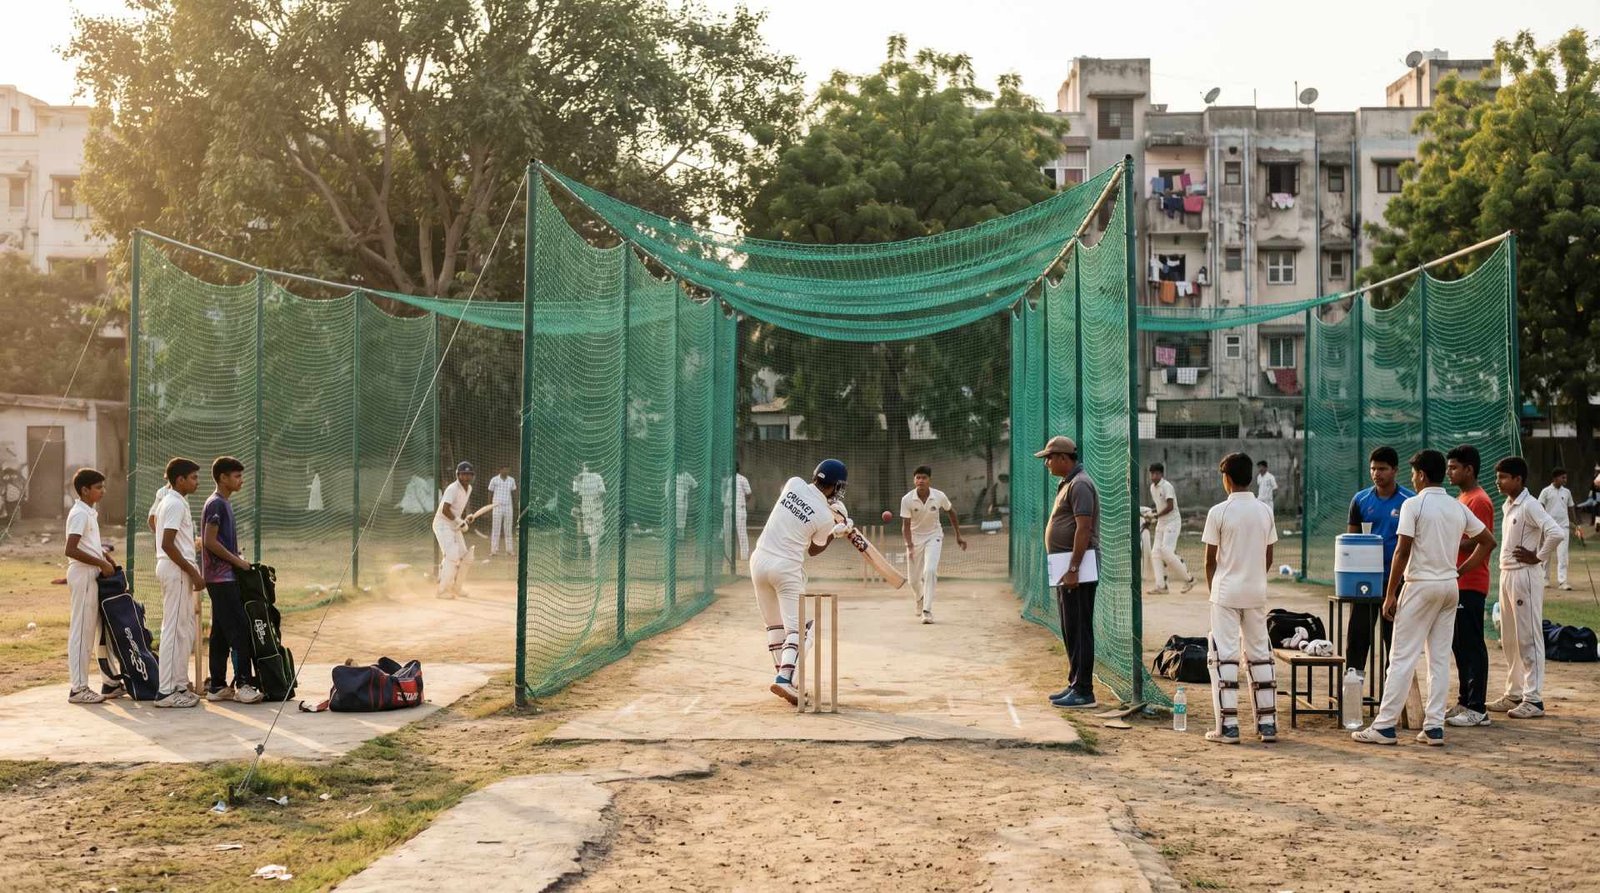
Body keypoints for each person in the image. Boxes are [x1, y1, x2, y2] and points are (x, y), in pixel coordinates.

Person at [1353, 450, 1495, 746]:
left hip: (1420, 586)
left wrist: (1390, 593)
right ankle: (1433, 727)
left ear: (1420, 475)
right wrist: (1460, 570)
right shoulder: (1456, 507)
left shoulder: (1413, 505)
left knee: (1401, 657)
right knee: (1439, 659)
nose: (1413, 479)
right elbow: (1488, 541)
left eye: (1414, 474)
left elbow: (1401, 551)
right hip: (1448, 587)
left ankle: (1384, 726)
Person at [749, 459, 851, 704]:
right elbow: (815, 551)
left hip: (759, 560)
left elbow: (802, 505)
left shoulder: (793, 483)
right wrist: (836, 531)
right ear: (836, 486)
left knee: (775, 627)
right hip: (785, 569)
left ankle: (787, 679)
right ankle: (785, 678)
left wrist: (829, 514)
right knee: (803, 630)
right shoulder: (825, 518)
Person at [1201, 452, 1279, 744]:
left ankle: (1229, 726)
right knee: (1260, 654)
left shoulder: (1219, 512)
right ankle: (1268, 724)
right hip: (1256, 591)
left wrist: (1215, 591)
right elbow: (1268, 555)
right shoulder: (1264, 511)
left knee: (1224, 655)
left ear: (1228, 479)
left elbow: (1209, 560)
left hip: (1225, 591)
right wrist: (1255, 577)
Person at [1489, 456, 1566, 719]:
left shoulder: (1530, 505)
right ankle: (1514, 693)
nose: (1498, 482)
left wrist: (1539, 557)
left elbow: (1556, 532)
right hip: (1507, 574)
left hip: (1525, 576)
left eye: (1503, 477)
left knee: (1528, 637)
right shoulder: (1508, 505)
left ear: (1518, 479)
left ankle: (1533, 699)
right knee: (1509, 638)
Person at [1040, 436, 1100, 710]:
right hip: (1067, 567)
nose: (1047, 463)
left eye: (1049, 458)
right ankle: (1075, 683)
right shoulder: (1068, 484)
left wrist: (1074, 568)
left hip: (1078, 568)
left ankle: (1084, 691)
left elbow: (1084, 528)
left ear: (1063, 458)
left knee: (1079, 628)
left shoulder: (1080, 485)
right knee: (1070, 627)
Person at [1345, 446, 1414, 680]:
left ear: (1395, 470)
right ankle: (1353, 690)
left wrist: (1397, 584)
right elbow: (1351, 542)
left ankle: (1390, 698)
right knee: (1358, 637)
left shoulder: (1409, 502)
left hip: (1395, 581)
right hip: (1364, 582)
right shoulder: (1360, 500)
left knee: (1393, 640)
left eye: (1382, 469)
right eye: (1373, 468)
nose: (1377, 473)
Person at [199, 457, 263, 704]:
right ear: (222, 478)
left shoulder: (222, 503)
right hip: (221, 578)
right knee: (239, 629)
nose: (241, 480)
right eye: (236, 476)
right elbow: (209, 541)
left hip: (223, 577)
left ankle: (216, 685)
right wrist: (237, 562)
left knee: (220, 633)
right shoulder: (216, 504)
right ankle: (244, 684)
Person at [1445, 445, 1494, 728]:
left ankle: (1478, 708)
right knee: (1459, 644)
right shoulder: (1461, 498)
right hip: (1457, 581)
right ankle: (1465, 701)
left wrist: (1449, 542)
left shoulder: (1479, 500)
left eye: (1454, 467)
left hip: (1471, 582)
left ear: (1469, 469)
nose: (1450, 472)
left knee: (1472, 644)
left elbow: (1480, 540)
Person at [64, 468, 121, 704]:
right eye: (98, 488)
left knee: (99, 630)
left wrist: (106, 559)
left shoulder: (89, 512)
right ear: (85, 490)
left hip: (93, 573)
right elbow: (71, 549)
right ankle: (78, 688)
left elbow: (89, 545)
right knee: (82, 631)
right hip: (83, 574)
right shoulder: (79, 513)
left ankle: (110, 682)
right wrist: (99, 562)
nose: (102, 491)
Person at [153, 457, 205, 708]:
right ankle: (165, 691)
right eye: (193, 477)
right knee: (173, 629)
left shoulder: (176, 501)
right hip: (175, 569)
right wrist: (192, 572)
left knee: (183, 628)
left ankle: (179, 685)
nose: (197, 482)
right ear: (179, 479)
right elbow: (166, 543)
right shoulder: (173, 503)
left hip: (178, 567)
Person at [900, 465, 968, 625]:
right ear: (914, 480)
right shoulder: (907, 499)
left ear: (929, 480)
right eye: (918, 478)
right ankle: (920, 597)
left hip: (934, 536)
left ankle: (927, 610)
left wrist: (958, 535)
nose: (920, 481)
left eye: (924, 478)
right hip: (915, 538)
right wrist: (909, 547)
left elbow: (951, 512)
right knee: (913, 580)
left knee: (930, 571)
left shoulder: (939, 496)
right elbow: (905, 525)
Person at [1147, 463, 1196, 594]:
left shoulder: (1167, 486)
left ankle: (1190, 579)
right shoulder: (1152, 487)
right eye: (1152, 473)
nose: (1153, 476)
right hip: (1161, 524)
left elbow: (1170, 507)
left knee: (1166, 552)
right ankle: (1161, 586)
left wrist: (1155, 515)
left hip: (1172, 522)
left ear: (1161, 474)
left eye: (1156, 473)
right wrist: (1151, 515)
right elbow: (1159, 506)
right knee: (1156, 553)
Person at [434, 462, 474, 598]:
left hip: (453, 524)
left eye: (469, 474)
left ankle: (456, 588)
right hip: (442, 524)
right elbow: (445, 510)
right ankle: (442, 591)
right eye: (464, 474)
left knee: (466, 556)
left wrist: (465, 519)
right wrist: (459, 521)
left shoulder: (469, 489)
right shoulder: (452, 488)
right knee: (452, 554)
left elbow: (456, 509)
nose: (466, 477)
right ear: (458, 475)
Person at [1537, 468, 1580, 591]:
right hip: (1548, 527)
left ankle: (1563, 581)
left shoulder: (1567, 492)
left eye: (1565, 477)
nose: (1565, 480)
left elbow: (1571, 508)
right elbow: (1540, 507)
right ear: (1555, 478)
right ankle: (1545, 579)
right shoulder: (1546, 491)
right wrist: (1541, 523)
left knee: (1563, 555)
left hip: (1563, 527)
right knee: (1546, 553)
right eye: (1563, 477)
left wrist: (1576, 525)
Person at [572, 463, 606, 563]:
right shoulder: (578, 478)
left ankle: (593, 558)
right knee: (588, 533)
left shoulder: (597, 477)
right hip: (586, 511)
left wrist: (596, 502)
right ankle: (583, 557)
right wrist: (577, 507)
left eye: (586, 466)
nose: (585, 468)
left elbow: (602, 493)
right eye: (584, 466)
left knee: (596, 534)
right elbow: (575, 494)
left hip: (596, 511)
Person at [723, 464, 752, 575]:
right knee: (727, 533)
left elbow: (749, 494)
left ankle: (744, 556)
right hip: (728, 508)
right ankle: (728, 556)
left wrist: (742, 503)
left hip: (739, 509)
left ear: (736, 468)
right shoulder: (726, 480)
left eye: (731, 467)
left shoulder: (742, 479)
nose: (729, 469)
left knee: (741, 533)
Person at [487, 466, 517, 557]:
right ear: (500, 470)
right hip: (497, 506)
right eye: (505, 469)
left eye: (508, 469)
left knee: (508, 529)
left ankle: (509, 550)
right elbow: (490, 493)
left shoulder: (511, 480)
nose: (507, 470)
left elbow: (514, 493)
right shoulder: (494, 480)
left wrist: (515, 505)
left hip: (508, 506)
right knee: (496, 528)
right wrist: (489, 506)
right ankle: (494, 550)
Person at [674, 470, 699, 534]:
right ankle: (674, 534)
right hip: (674, 501)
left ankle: (681, 535)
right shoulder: (673, 475)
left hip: (683, 501)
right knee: (674, 518)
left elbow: (695, 485)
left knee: (682, 518)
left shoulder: (687, 475)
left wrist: (690, 495)